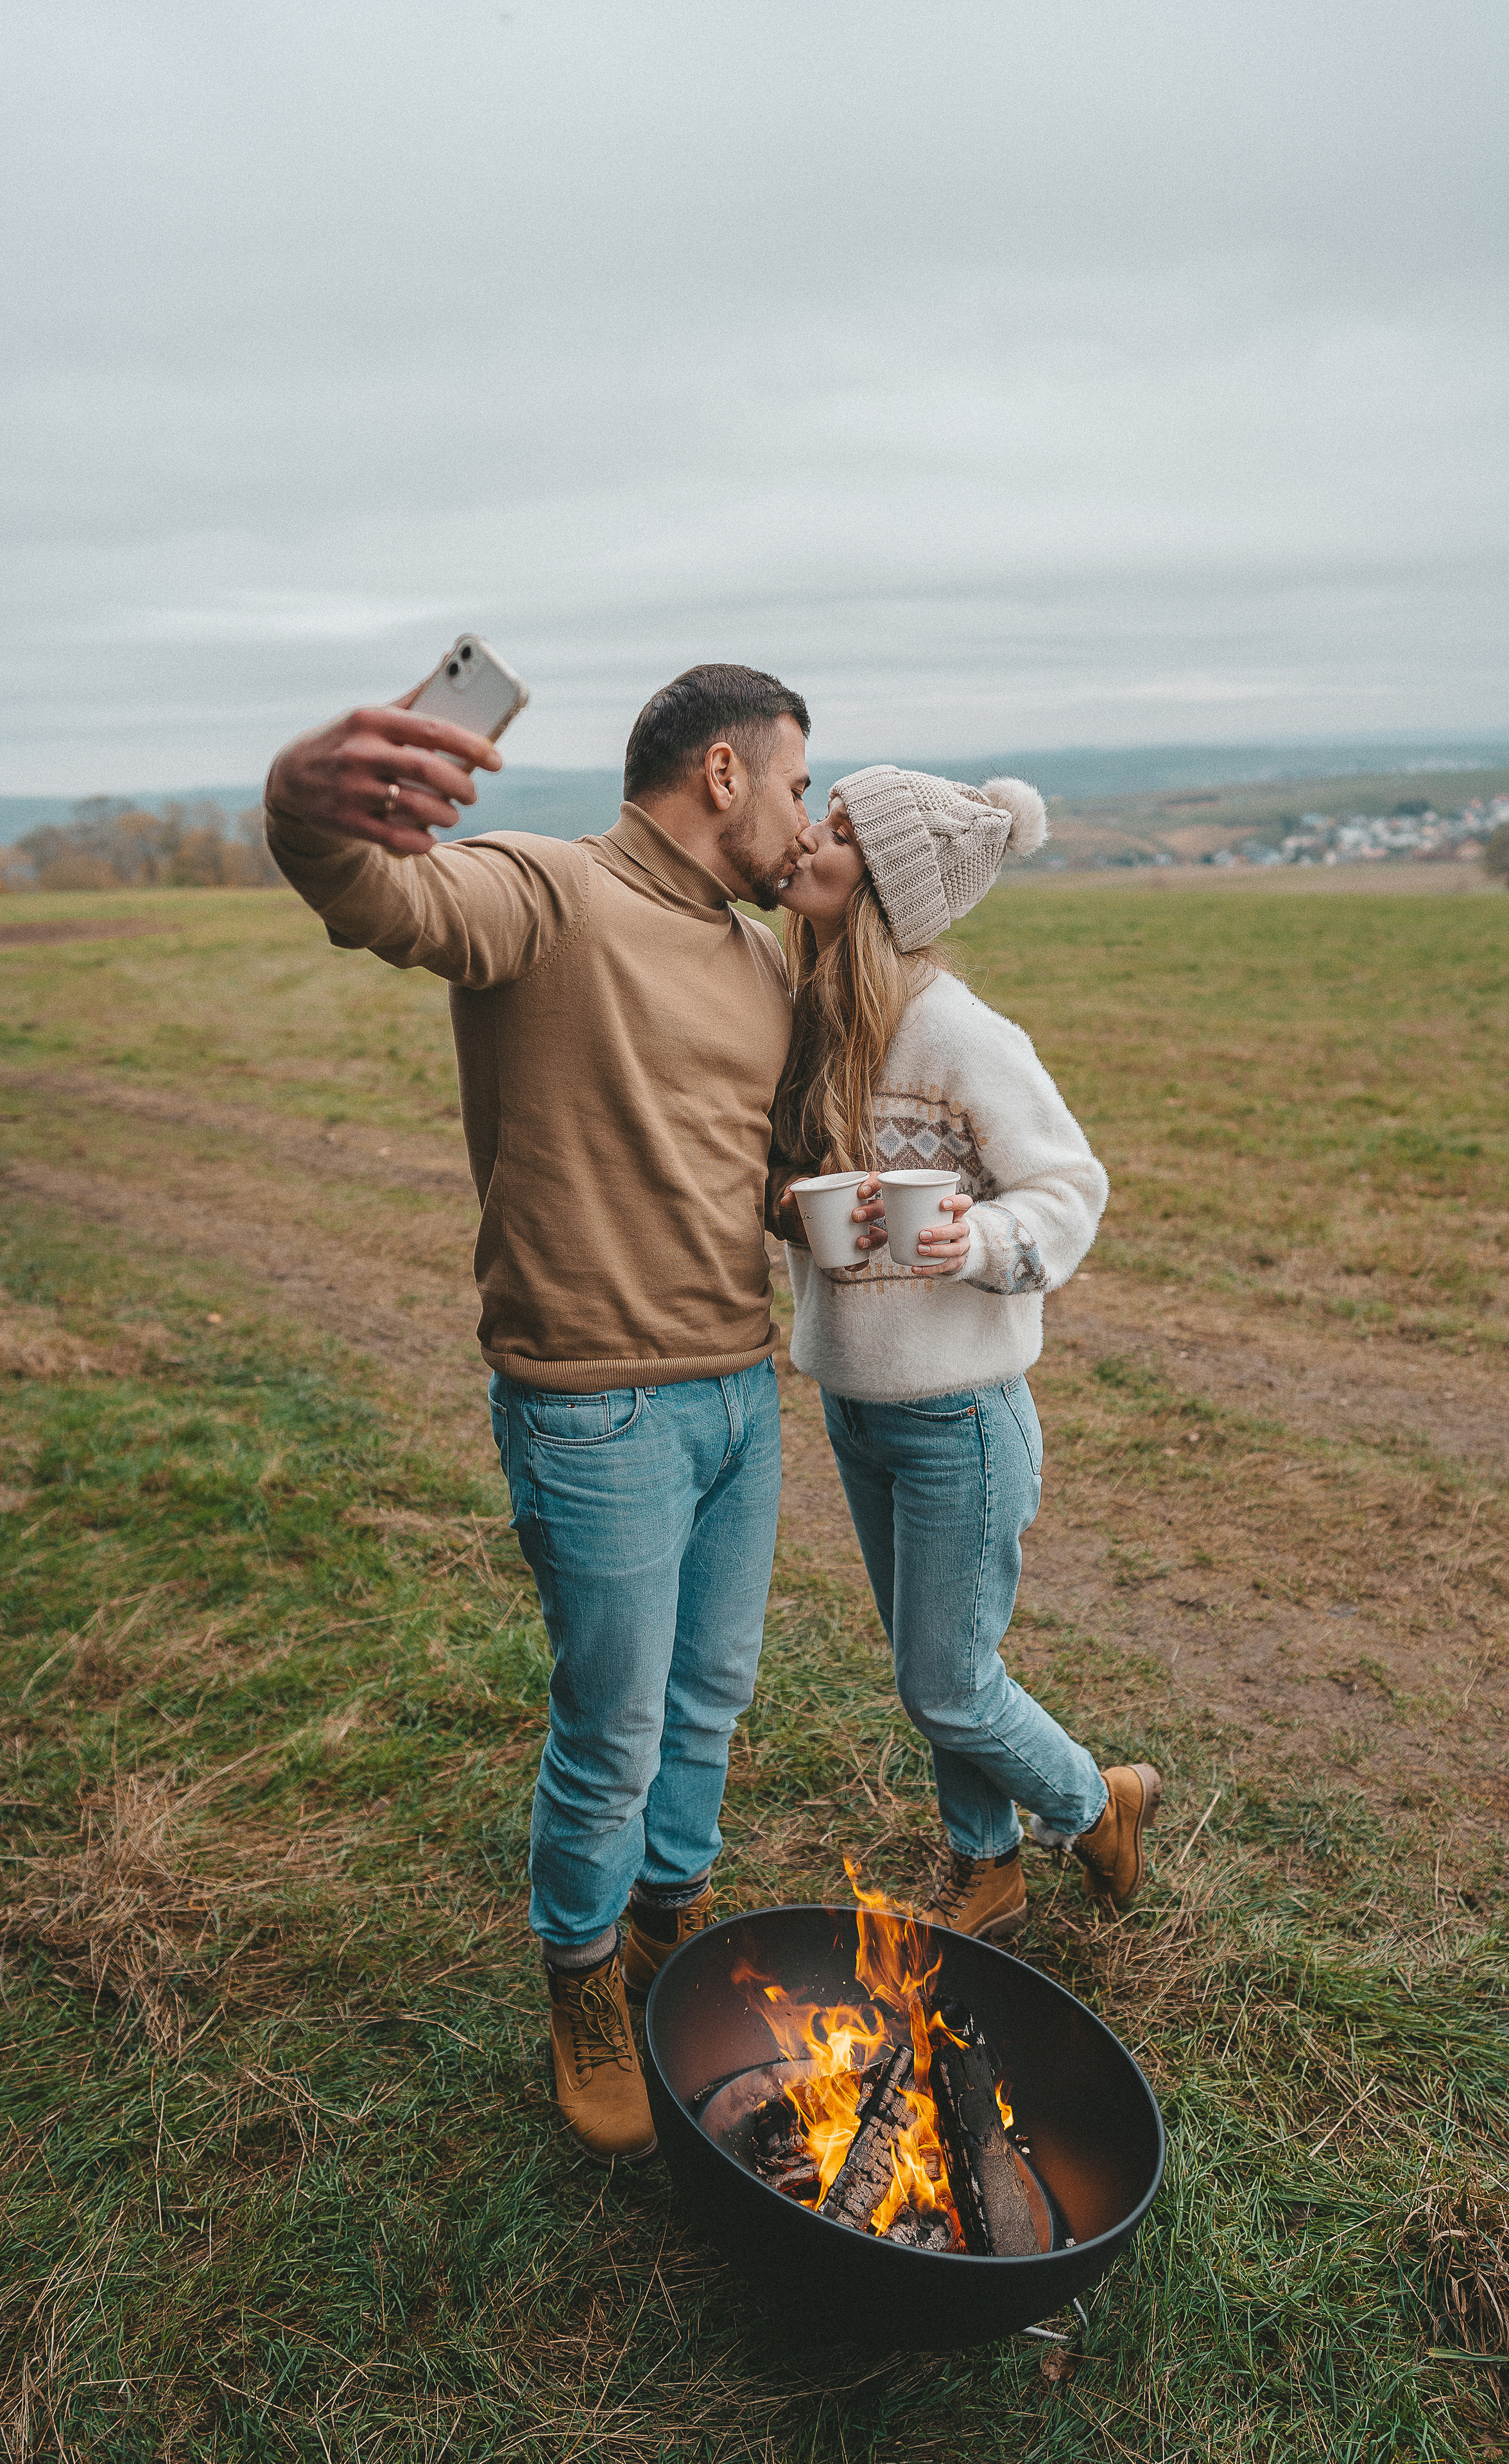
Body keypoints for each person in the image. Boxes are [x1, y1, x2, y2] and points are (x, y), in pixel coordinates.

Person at [262, 663, 857, 2165]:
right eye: (796, 783)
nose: (804, 818)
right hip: (596, 1415)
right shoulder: (549, 892)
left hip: (740, 1391)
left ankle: (671, 1927)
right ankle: (581, 1979)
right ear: (722, 773)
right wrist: (303, 807)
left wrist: (826, 1211)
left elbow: (736, 1159)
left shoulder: (754, 962)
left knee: (710, 1699)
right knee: (614, 1728)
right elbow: (386, 901)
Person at [770, 767, 1162, 1940]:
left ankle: (1098, 1807)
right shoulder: (811, 1016)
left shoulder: (956, 1029)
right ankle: (985, 1864)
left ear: (884, 883)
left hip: (960, 1416)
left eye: (837, 831)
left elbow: (1070, 1188)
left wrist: (980, 1237)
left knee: (945, 1679)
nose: (807, 837)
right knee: (939, 1665)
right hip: (858, 1403)